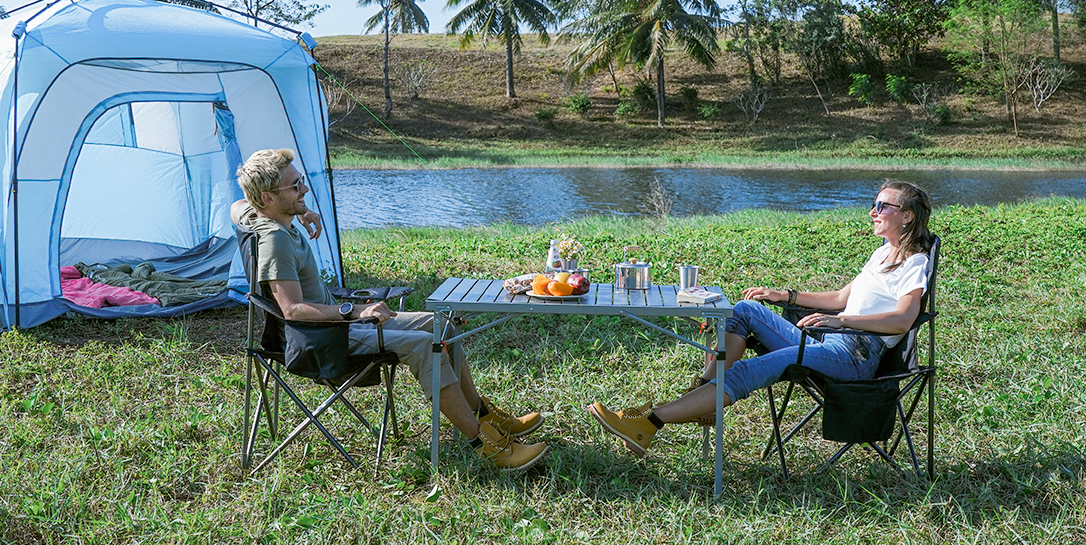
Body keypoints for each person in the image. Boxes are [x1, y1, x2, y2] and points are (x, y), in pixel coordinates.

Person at [233, 148, 548, 471]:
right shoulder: (275, 241)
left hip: (336, 326)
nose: (305, 189)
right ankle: (487, 446)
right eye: (296, 186)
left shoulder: (260, 213)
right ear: (269, 197)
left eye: (301, 181)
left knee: (442, 326)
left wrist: (300, 209)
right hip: (322, 339)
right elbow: (293, 310)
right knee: (426, 345)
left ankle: (483, 414)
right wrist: (355, 312)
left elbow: (236, 206)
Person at [588, 179, 934, 457]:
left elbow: (903, 319)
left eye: (881, 206)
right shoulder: (881, 254)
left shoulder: (915, 261)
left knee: (750, 369)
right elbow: (842, 298)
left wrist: (842, 321)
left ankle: (649, 422)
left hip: (854, 356)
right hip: (829, 343)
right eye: (873, 205)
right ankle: (703, 399)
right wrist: (784, 296)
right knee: (746, 311)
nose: (872, 212)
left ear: (906, 216)